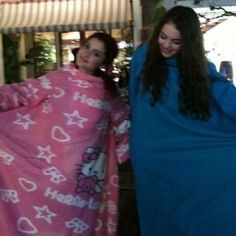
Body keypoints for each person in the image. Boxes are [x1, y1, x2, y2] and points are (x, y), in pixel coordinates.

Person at [0, 32, 130, 235]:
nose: (86, 54)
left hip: (83, 184)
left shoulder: (108, 93)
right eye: (86, 46)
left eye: (95, 53)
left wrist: (132, 154)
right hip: (51, 173)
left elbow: (123, 123)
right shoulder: (57, 79)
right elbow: (22, 92)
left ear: (104, 62)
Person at [129, 5, 236, 236]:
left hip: (187, 152)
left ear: (188, 43)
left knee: (192, 215)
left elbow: (227, 97)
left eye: (175, 42)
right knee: (157, 212)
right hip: (149, 154)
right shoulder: (141, 56)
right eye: (163, 36)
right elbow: (135, 99)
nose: (166, 45)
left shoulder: (199, 67)